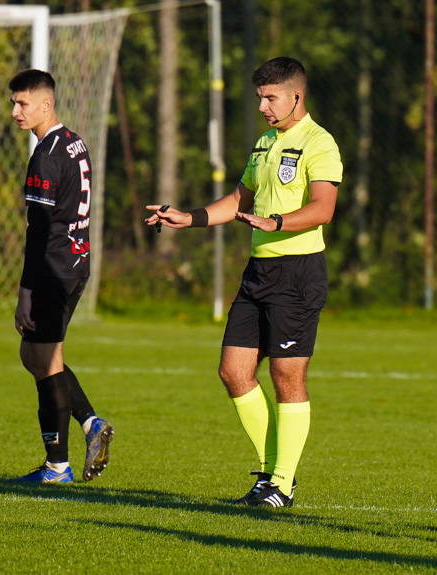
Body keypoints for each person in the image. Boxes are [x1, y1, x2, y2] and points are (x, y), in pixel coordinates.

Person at [146, 57, 342, 507]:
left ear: (297, 95)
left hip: (298, 273)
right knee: (233, 372)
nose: (263, 106)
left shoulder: (320, 143)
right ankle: (271, 474)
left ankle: (282, 483)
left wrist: (276, 223)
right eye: (259, 97)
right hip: (258, 272)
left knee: (285, 377)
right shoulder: (265, 142)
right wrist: (189, 217)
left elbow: (322, 208)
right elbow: (239, 199)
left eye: (270, 97)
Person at [8, 69, 113, 483]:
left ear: (46, 104)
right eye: (14, 102)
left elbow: (39, 231)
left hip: (53, 270)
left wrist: (25, 292)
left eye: (23, 103)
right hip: (75, 263)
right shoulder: (74, 143)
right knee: (33, 356)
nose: (15, 111)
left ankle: (57, 466)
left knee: (45, 360)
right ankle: (90, 424)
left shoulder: (46, 155)